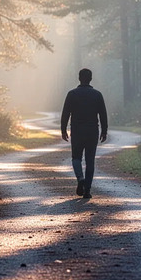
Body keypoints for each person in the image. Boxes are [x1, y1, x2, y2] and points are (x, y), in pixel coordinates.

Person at [60, 68, 108, 199]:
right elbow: (103, 114)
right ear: (91, 78)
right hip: (92, 131)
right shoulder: (97, 95)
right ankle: (87, 190)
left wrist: (63, 130)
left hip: (77, 130)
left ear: (79, 78)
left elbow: (65, 114)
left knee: (76, 157)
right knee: (90, 160)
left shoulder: (72, 94)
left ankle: (80, 178)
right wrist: (104, 131)